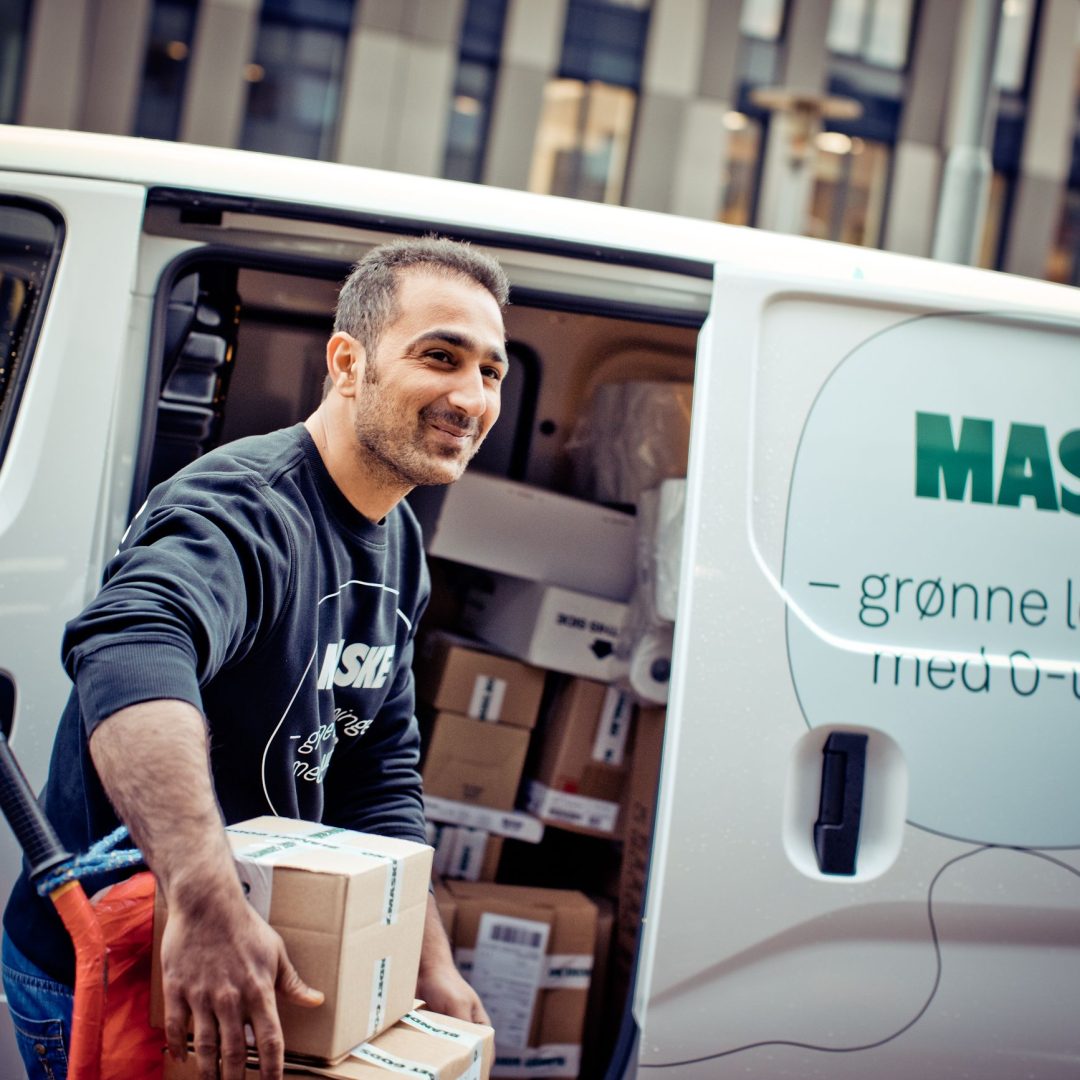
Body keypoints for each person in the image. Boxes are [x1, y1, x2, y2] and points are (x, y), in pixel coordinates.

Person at [2, 235, 511, 1080]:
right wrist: (204, 902)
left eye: (491, 372)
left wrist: (428, 958)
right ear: (348, 363)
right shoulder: (244, 507)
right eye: (440, 356)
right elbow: (129, 649)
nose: (470, 395)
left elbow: (375, 765)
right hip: (129, 954)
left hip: (252, 945)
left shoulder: (400, 543)